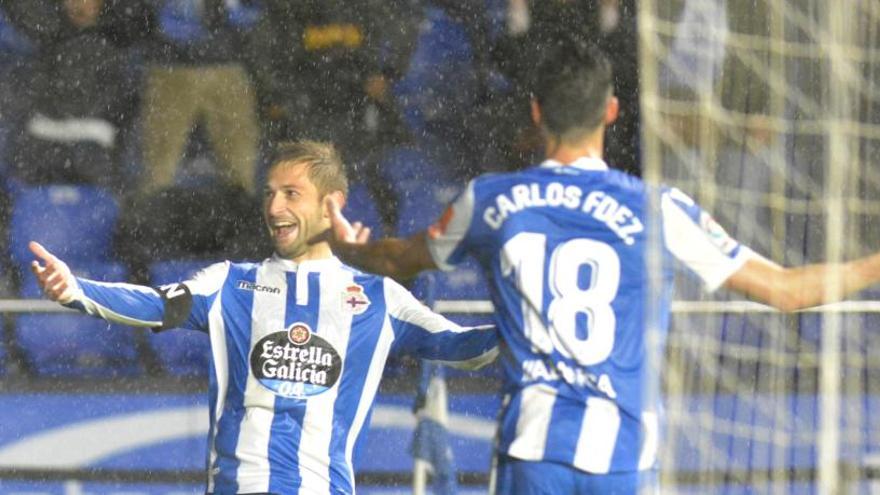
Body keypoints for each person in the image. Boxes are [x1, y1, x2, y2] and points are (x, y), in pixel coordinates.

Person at [324, 40, 880, 494]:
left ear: (537, 111)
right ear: (612, 111)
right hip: (621, 458)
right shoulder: (660, 209)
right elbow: (785, 291)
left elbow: (398, 258)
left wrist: (349, 249)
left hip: (532, 453)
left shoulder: (490, 201)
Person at [30, 140, 498, 494]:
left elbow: (461, 347)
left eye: (292, 194)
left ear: (331, 203)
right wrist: (75, 290)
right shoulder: (231, 283)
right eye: (271, 194)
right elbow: (159, 304)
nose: (275, 208)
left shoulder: (379, 298)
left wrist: (531, 328)